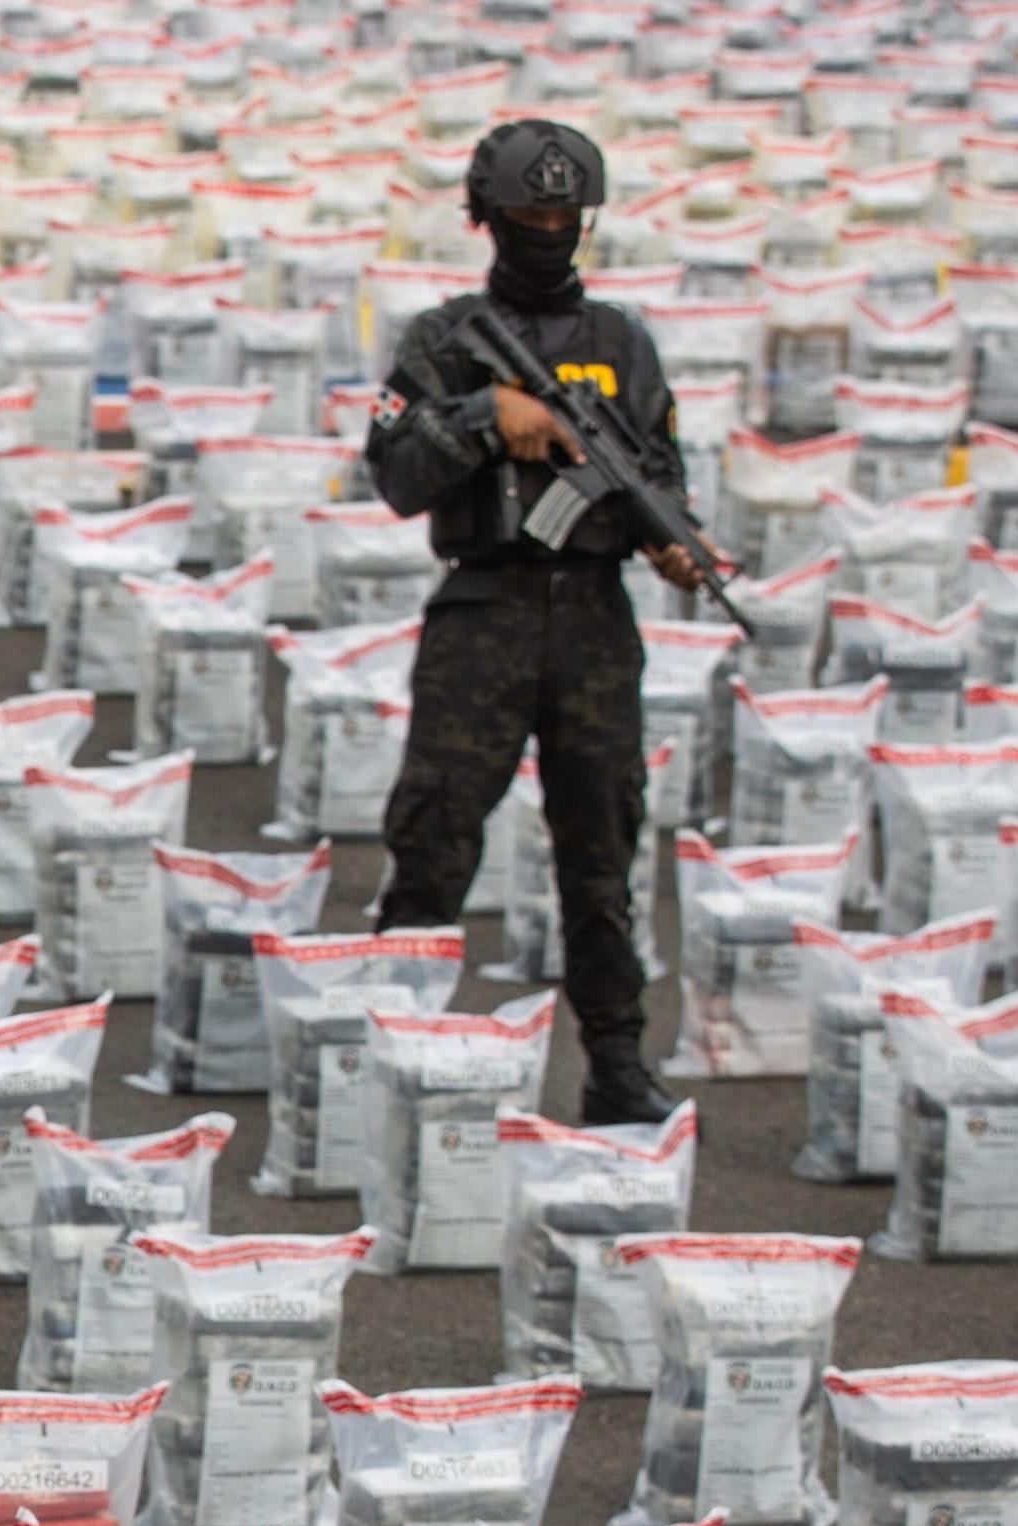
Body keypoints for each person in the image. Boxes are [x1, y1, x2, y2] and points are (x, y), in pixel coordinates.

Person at [363, 117, 728, 1124]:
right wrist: (491, 419)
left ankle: (617, 1065)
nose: (550, 228)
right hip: (483, 610)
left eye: (566, 213)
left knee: (601, 855)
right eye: (531, 211)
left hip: (595, 622)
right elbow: (393, 477)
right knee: (434, 836)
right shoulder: (444, 340)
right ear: (488, 218)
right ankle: (391, 1054)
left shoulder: (620, 343)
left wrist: (675, 541)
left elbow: (660, 471)